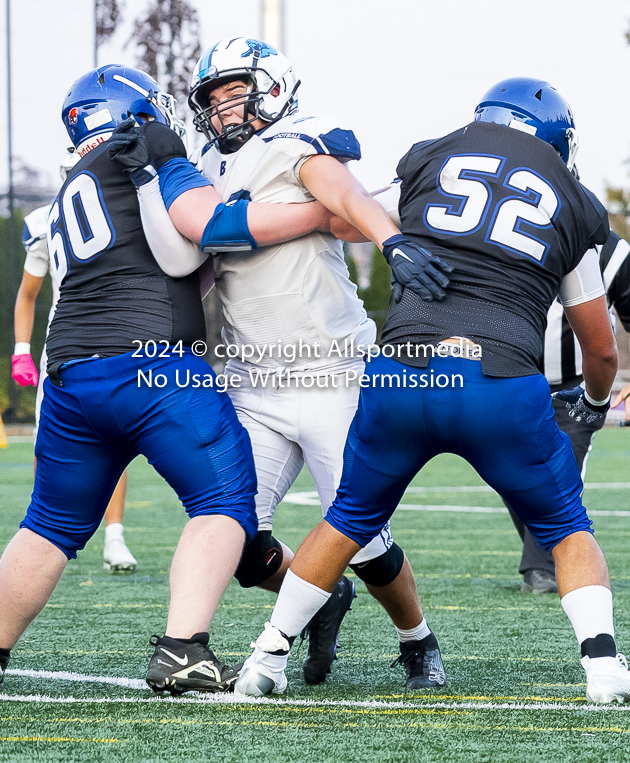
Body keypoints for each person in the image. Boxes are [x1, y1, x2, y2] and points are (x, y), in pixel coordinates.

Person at [235, 77, 630, 705]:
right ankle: (604, 668)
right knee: (564, 527)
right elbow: (600, 345)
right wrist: (597, 400)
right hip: (498, 380)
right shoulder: (574, 201)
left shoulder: (429, 155)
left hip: (403, 371)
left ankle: (265, 659)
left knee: (347, 521)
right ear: (559, 139)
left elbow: (346, 220)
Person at [0, 63, 340, 695]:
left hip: (71, 372)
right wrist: (322, 211)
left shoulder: (76, 180)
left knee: (49, 522)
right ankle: (184, 651)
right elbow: (198, 239)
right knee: (226, 503)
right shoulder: (147, 154)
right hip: (152, 362)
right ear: (137, 109)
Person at [120, 36, 453, 693]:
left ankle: (417, 640)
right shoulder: (202, 170)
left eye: (234, 91)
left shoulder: (297, 141)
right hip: (252, 381)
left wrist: (391, 240)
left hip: (331, 368)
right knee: (234, 529)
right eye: (212, 99)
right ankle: (324, 604)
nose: (222, 108)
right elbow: (199, 250)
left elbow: (344, 193)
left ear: (272, 87)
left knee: (361, 535)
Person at [13, 158, 137, 574]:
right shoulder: (45, 222)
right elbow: (28, 294)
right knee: (47, 446)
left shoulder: (132, 210)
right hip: (64, 347)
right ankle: (42, 535)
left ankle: (114, 537)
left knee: (115, 441)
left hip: (117, 343)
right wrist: (20, 350)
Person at [509, 229, 630, 593]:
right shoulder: (500, 231)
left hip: (576, 384)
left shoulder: (611, 250)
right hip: (508, 376)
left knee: (561, 467)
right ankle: (548, 555)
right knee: (510, 472)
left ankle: (541, 567)